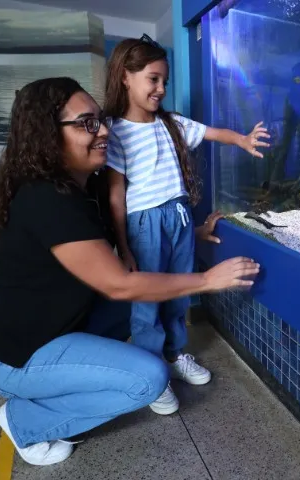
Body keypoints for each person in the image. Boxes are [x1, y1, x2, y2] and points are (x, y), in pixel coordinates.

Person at [0, 77, 260, 467]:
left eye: (101, 119)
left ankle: (58, 388)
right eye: (87, 123)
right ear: (46, 135)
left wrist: (194, 231)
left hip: (52, 327)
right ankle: (26, 421)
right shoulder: (47, 200)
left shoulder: (81, 189)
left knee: (140, 310)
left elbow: (134, 252)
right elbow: (118, 283)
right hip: (12, 356)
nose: (104, 130)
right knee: (148, 379)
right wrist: (208, 280)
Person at [102, 34, 270, 411]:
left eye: (165, 80)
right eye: (153, 78)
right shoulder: (114, 131)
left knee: (178, 292)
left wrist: (242, 139)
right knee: (147, 299)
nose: (162, 88)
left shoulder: (172, 123)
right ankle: (151, 373)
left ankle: (174, 356)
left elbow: (212, 133)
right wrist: (124, 246)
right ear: (125, 77)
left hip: (178, 217)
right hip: (143, 223)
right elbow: (115, 194)